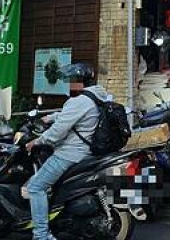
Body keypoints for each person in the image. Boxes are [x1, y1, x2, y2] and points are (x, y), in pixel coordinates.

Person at [24, 64, 109, 240]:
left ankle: (40, 235)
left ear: (78, 82)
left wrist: (37, 141)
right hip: (88, 152)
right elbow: (74, 115)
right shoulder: (98, 97)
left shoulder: (79, 101)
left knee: (35, 188)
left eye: (70, 80)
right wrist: (51, 117)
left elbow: (57, 133)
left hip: (70, 154)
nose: (68, 84)